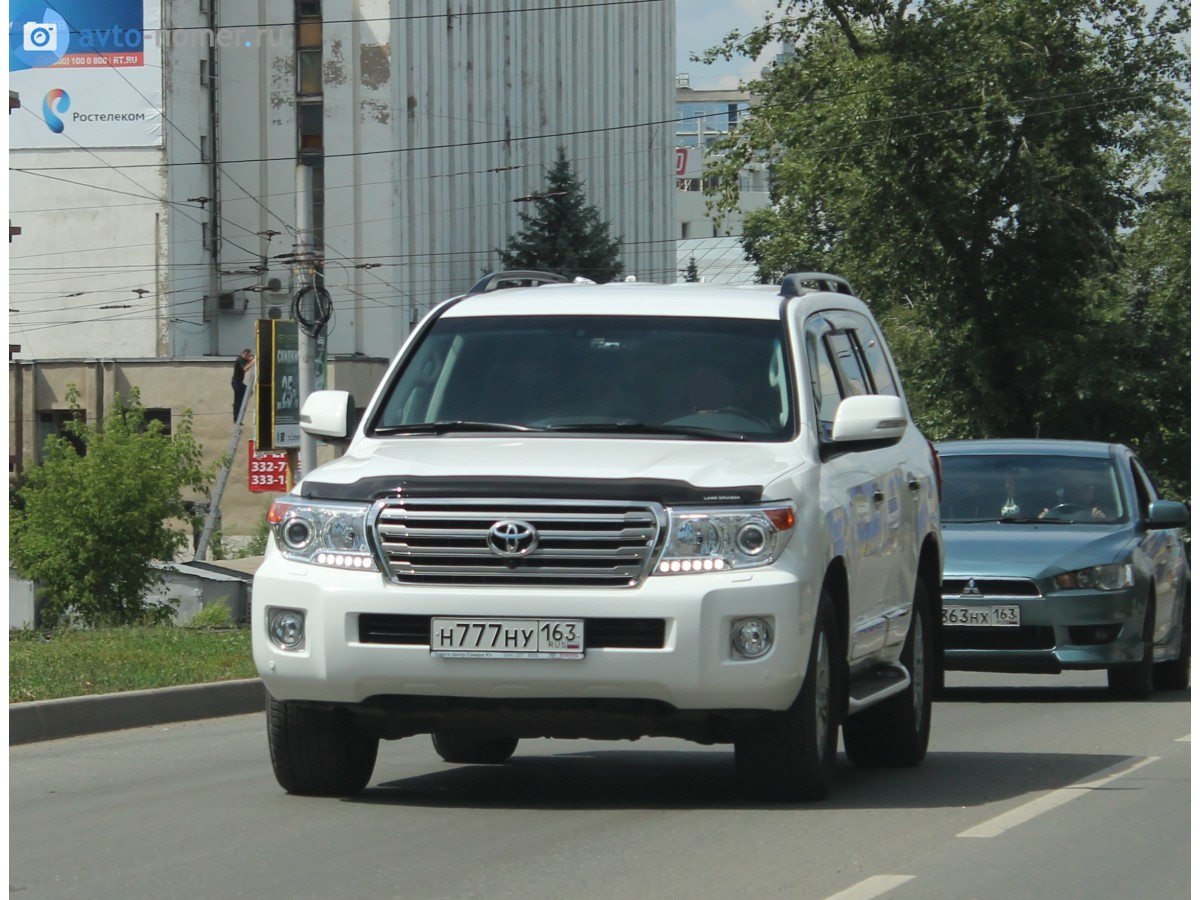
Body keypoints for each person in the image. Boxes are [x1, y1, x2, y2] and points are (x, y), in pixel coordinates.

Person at [1039, 473, 1112, 521]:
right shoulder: (1054, 512)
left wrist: (1103, 520)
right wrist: (1042, 520)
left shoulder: (1111, 510)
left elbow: (1117, 529)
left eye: (1085, 487)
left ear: (1094, 490)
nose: (1079, 492)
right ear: (1066, 491)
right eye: (1074, 488)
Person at [231, 348, 255, 421]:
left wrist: (251, 359)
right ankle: (236, 416)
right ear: (245, 353)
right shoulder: (240, 359)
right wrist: (253, 362)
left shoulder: (243, 359)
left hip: (238, 382)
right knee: (239, 399)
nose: (249, 357)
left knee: (248, 392)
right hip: (236, 382)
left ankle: (237, 413)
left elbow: (248, 360)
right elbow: (245, 369)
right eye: (248, 355)